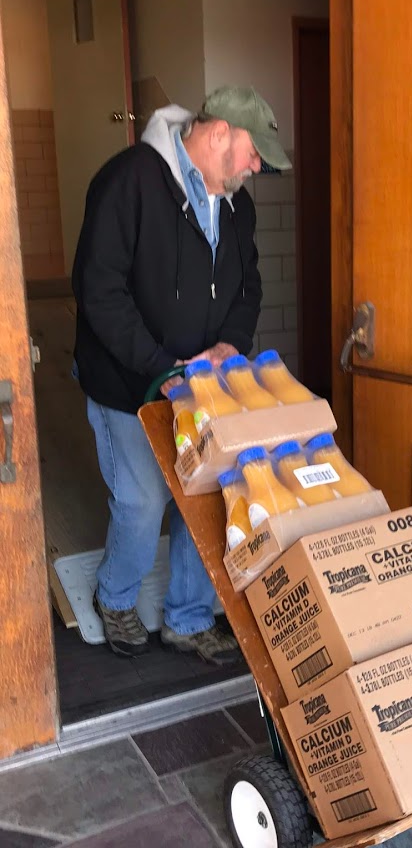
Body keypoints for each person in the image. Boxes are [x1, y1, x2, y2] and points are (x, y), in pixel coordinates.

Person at [72, 86, 291, 663]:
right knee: (144, 499)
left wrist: (230, 344)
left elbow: (250, 286)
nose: (255, 166)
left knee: (207, 490)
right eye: (252, 152)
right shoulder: (130, 181)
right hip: (129, 381)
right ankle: (114, 595)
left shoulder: (235, 203)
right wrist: (157, 366)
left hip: (203, 382)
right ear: (219, 132)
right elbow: (100, 291)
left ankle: (189, 618)